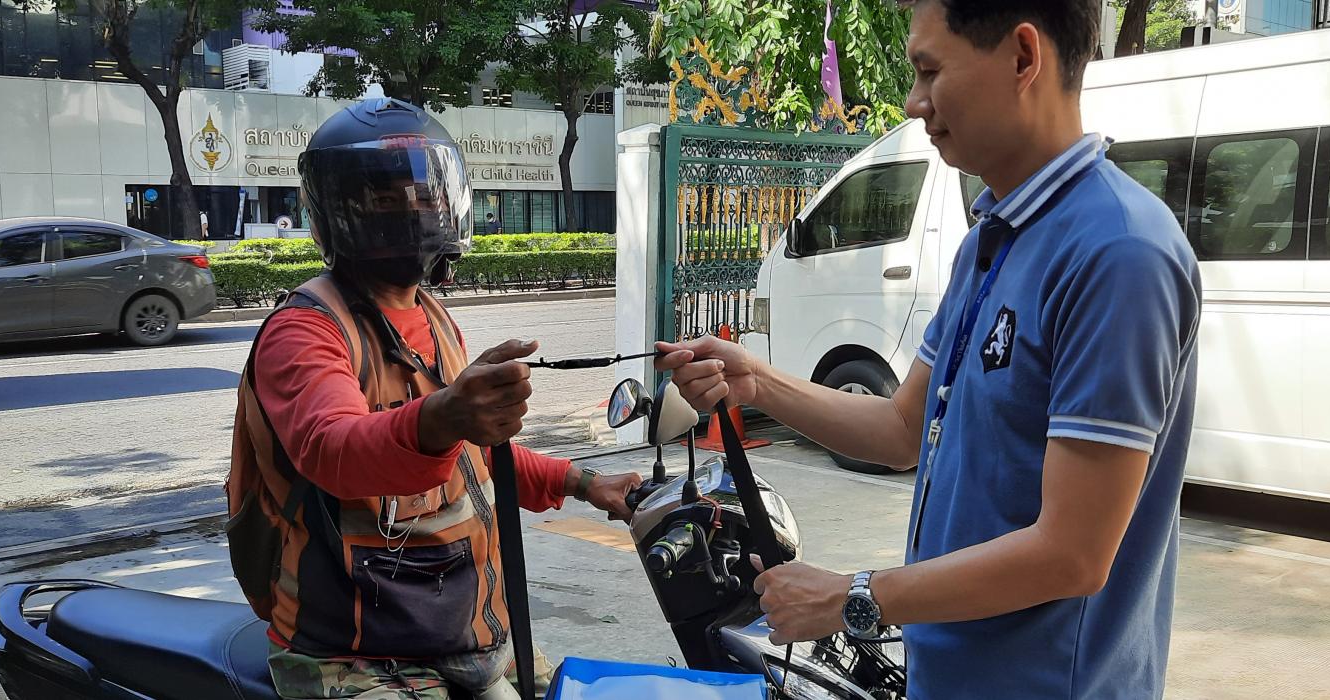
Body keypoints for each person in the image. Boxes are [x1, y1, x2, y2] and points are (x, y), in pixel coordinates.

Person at [655, 1, 1201, 697]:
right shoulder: (991, 241)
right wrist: (756, 382)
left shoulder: (1117, 253)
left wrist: (856, 596)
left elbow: (1073, 555)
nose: (914, 103)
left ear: (1023, 58)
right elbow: (903, 428)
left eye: (928, 70)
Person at [228, 98, 643, 700]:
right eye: (384, 198)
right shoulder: (306, 329)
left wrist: (582, 483)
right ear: (340, 214)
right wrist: (442, 417)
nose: (413, 212)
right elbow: (333, 450)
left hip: (465, 634)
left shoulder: (435, 317)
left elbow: (478, 458)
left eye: (425, 194)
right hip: (355, 656)